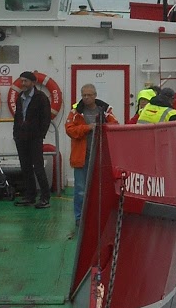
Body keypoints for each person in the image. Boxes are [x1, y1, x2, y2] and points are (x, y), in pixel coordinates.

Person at [64, 83, 117, 222]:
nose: (86, 98)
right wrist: (87, 128)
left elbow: (115, 126)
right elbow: (69, 130)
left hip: (100, 158)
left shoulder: (105, 110)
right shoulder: (75, 112)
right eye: (84, 95)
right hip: (82, 157)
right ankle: (79, 218)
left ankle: (101, 216)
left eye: (89, 95)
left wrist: (102, 127)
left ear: (95, 95)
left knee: (102, 189)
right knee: (80, 190)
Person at [12, 70, 52, 208]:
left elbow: (46, 118)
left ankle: (45, 197)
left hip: (35, 138)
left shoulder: (41, 98)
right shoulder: (20, 97)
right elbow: (18, 116)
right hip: (21, 138)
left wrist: (40, 135)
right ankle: (30, 195)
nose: (23, 83)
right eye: (21, 81)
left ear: (33, 83)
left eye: (25, 81)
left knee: (38, 167)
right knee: (25, 167)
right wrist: (16, 134)